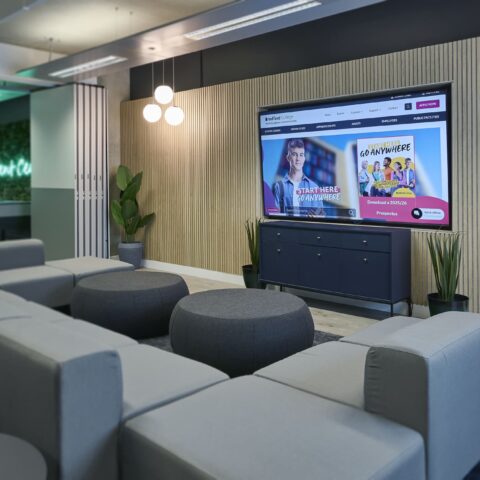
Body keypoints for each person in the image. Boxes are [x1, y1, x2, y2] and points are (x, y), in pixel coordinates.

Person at [273, 139, 324, 216]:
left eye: (301, 155)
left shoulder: (314, 187)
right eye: (294, 154)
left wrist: (317, 217)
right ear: (288, 157)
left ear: (304, 158)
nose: (298, 159)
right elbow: (275, 214)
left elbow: (321, 215)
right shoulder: (279, 186)